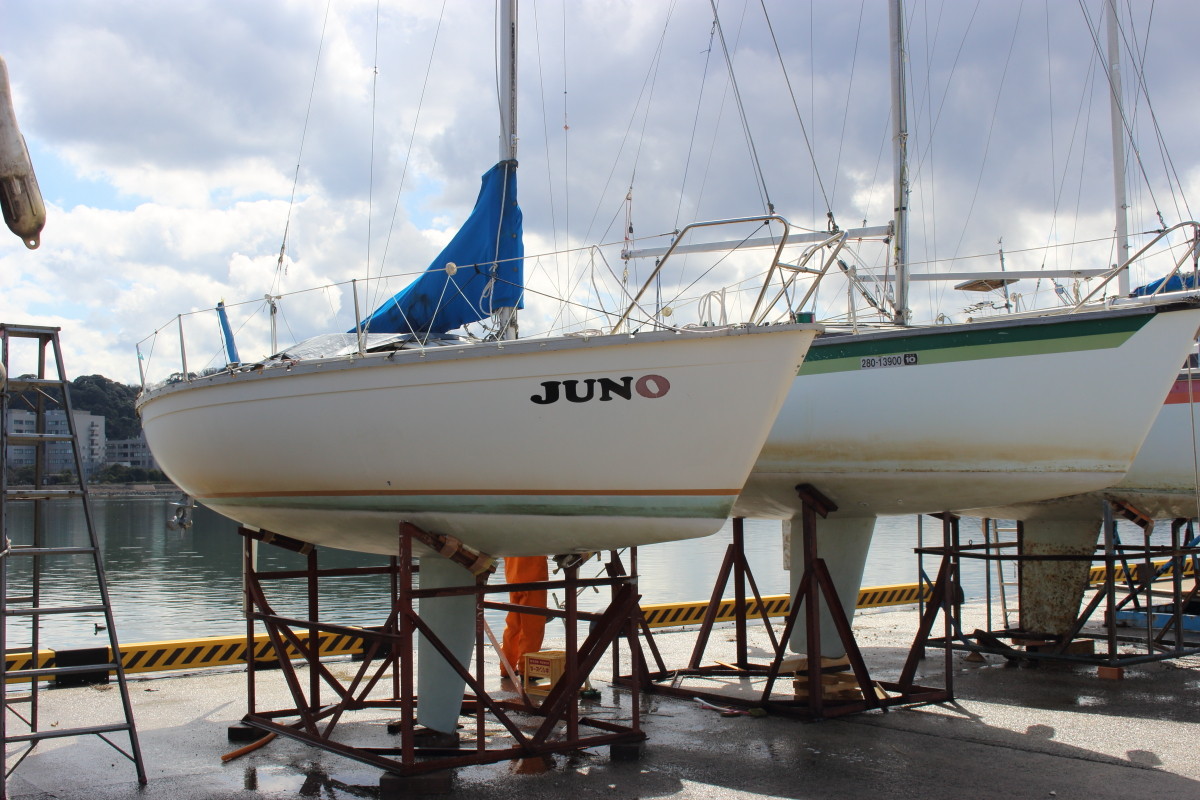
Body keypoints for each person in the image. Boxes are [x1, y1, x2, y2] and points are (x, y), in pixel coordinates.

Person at [500, 556, 549, 678]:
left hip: (512, 576)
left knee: (513, 625)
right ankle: (527, 669)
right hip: (534, 577)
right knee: (532, 626)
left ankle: (507, 667)